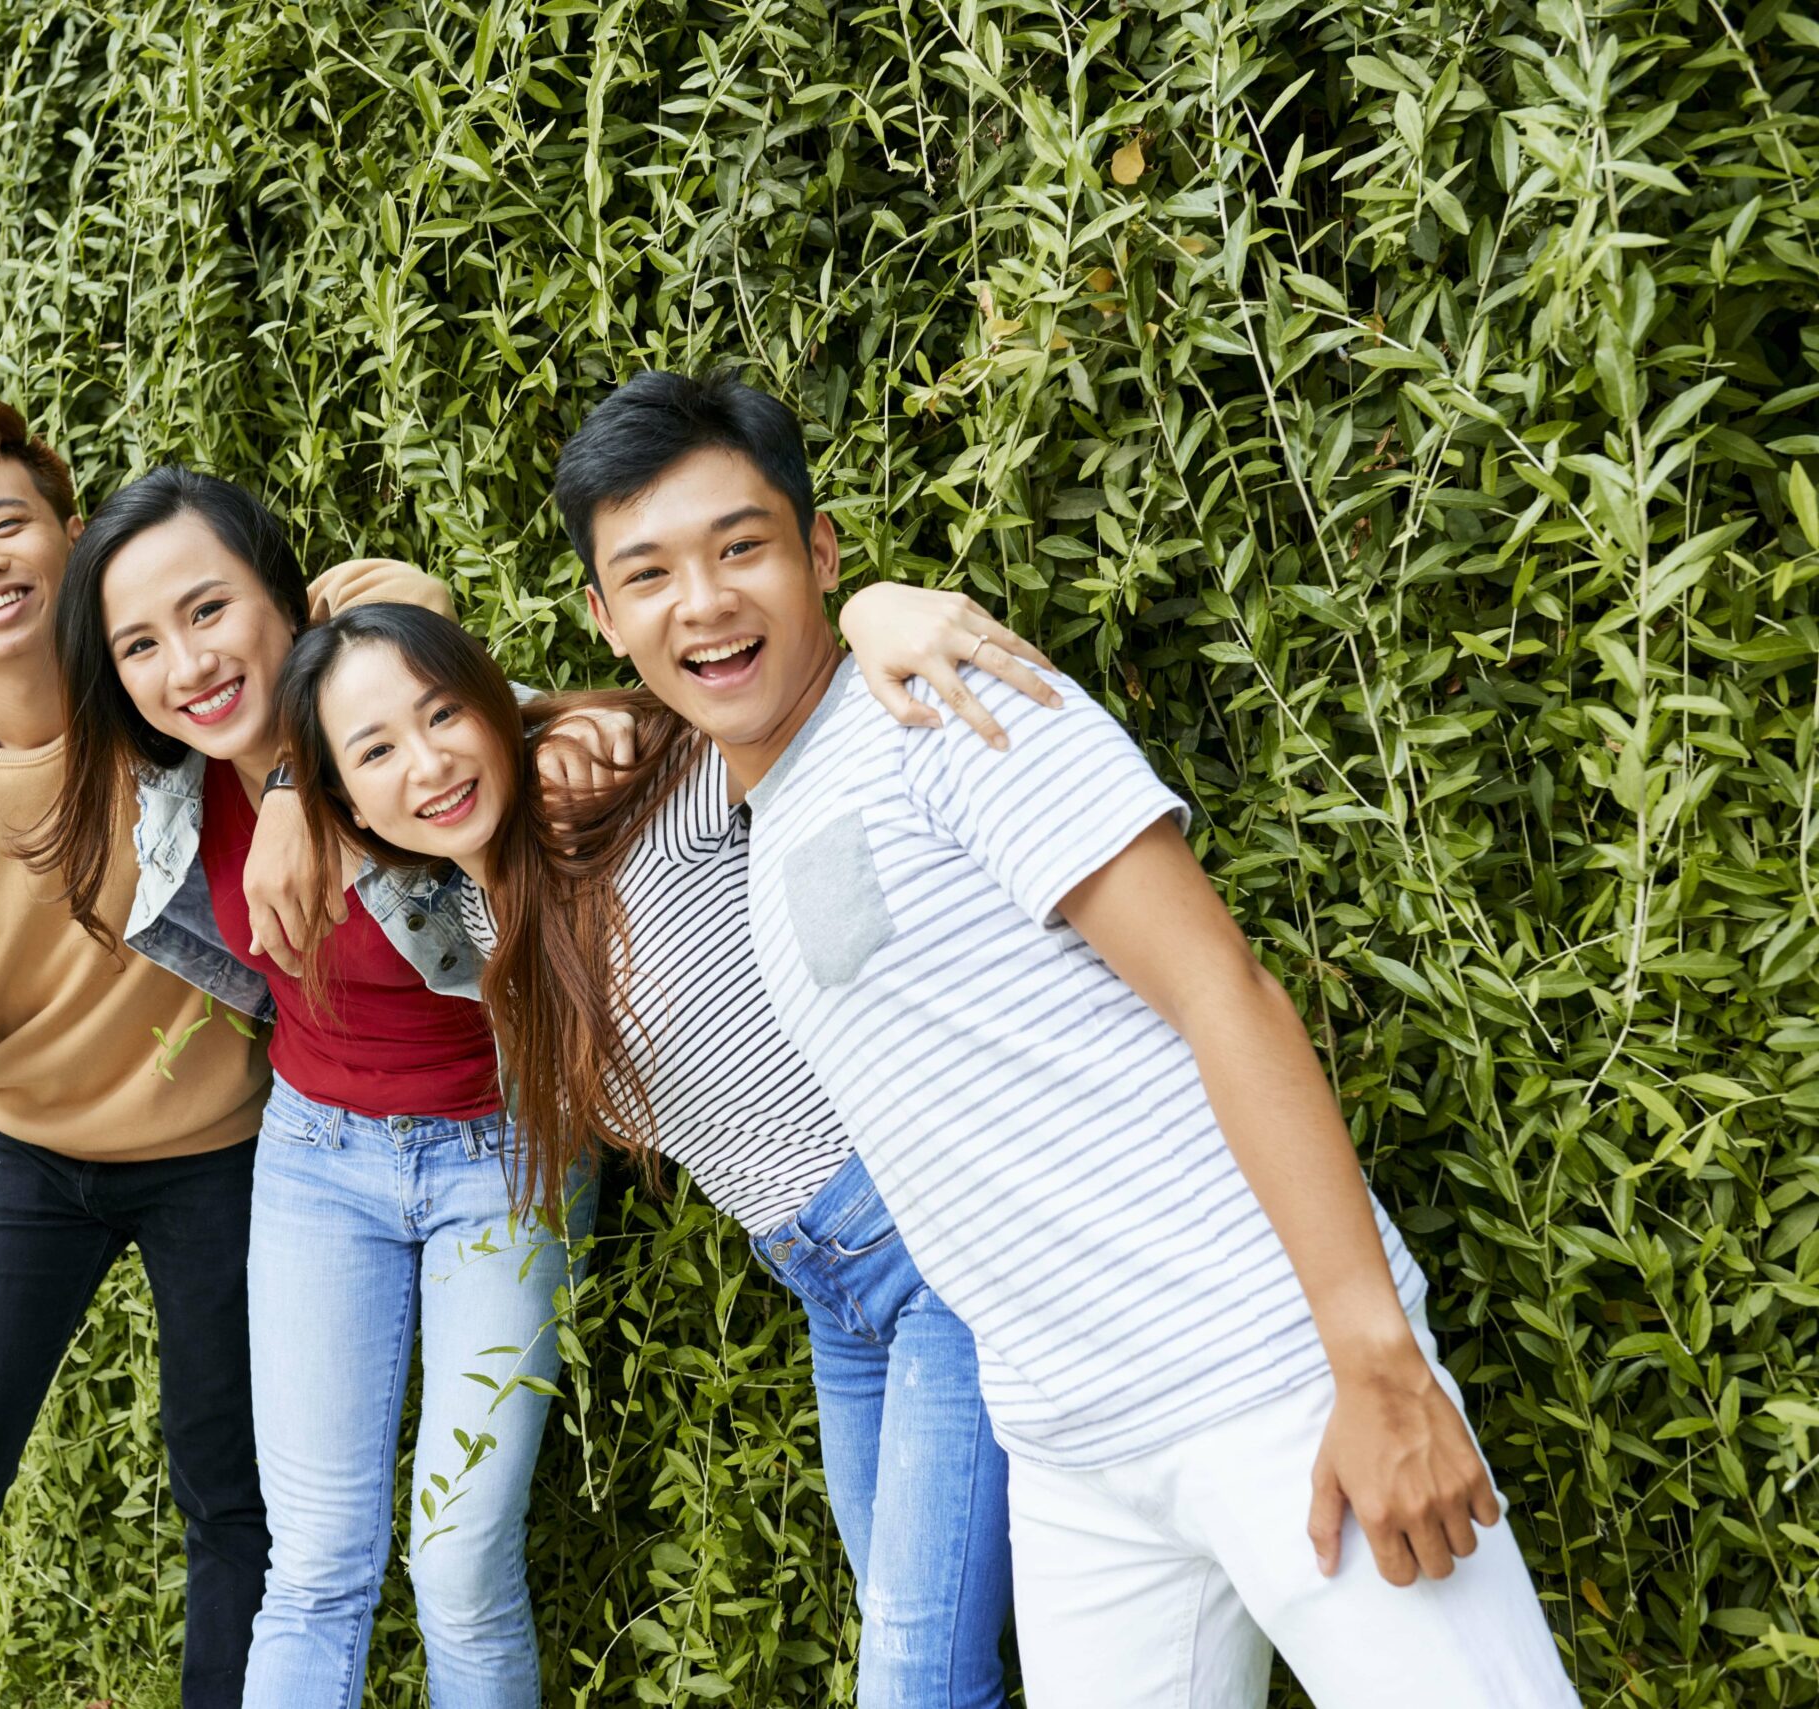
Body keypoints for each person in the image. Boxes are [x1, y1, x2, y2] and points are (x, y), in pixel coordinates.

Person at [541, 369, 1580, 1708]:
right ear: (604, 614)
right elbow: (430, 719)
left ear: (820, 549)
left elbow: (1225, 990)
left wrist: (1372, 1361)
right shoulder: (752, 814)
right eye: (650, 573)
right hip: (1074, 1455)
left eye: (742, 547)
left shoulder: (943, 704)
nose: (704, 600)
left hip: (1268, 1378)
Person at [272, 597, 1047, 1709]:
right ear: (348, 796)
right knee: (905, 1638)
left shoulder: (628, 796)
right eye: (377, 750)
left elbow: (789, 698)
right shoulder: (469, 913)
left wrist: (873, 608)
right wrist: (289, 796)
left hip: (930, 1251)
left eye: (445, 712)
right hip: (830, 1288)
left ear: (496, 704)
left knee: (919, 1679)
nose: (428, 760)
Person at [0, 399, 450, 1709]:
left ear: (75, 536)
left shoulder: (160, 689)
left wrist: (284, 787)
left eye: (6, 526)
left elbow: (384, 604)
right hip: (28, 1154)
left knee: (230, 1487)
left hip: (220, 1145)